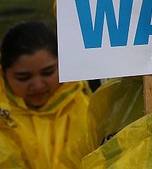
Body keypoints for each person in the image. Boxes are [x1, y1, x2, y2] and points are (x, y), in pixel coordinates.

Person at [0, 21, 90, 167]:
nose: (38, 86)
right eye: (23, 78)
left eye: (48, 72)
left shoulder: (90, 107)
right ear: (4, 74)